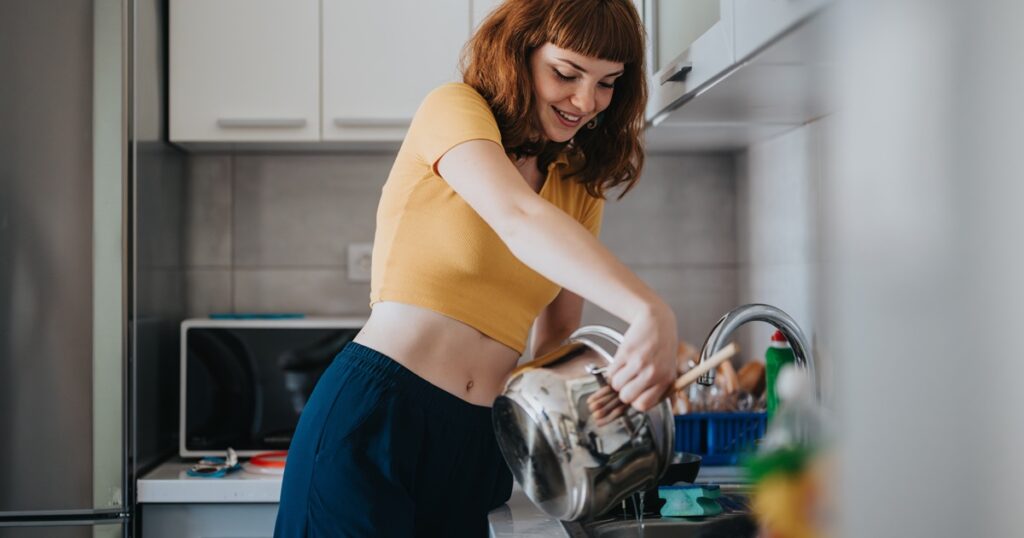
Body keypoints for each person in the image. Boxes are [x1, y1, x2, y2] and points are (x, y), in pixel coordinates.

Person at [274, 1, 678, 536]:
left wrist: (608, 398)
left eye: (607, 83)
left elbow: (555, 341)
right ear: (522, 52)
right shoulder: (456, 110)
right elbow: (516, 217)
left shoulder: (578, 182)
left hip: (481, 441)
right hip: (379, 415)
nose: (585, 101)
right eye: (566, 73)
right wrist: (648, 310)